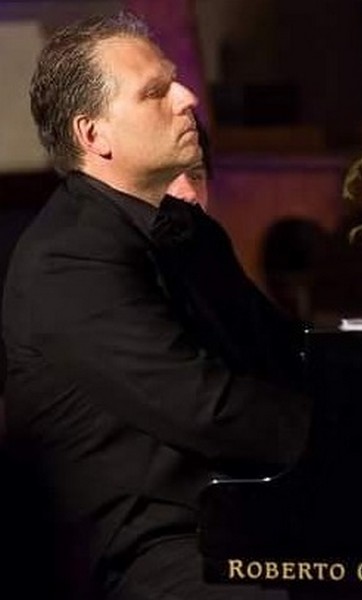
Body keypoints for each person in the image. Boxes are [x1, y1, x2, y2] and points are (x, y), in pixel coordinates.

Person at [1, 11, 310, 600]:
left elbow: (286, 352)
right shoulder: (68, 260)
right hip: (143, 553)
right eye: (155, 91)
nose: (188, 97)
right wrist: (355, 444)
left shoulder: (191, 233)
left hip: (238, 514)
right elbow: (208, 409)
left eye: (176, 81)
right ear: (94, 135)